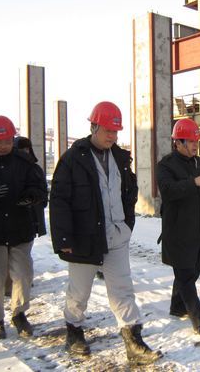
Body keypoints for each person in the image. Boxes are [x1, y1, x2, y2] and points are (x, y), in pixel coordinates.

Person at [50, 101, 161, 364]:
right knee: (79, 292)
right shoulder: (73, 159)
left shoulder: (120, 158)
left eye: (115, 131)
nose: (112, 136)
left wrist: (127, 223)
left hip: (116, 235)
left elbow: (129, 193)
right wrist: (64, 238)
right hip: (83, 238)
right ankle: (74, 331)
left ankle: (133, 340)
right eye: (108, 130)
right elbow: (59, 200)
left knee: (123, 289)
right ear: (94, 127)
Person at [0, 115, 48, 339]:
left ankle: (19, 314)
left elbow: (39, 187)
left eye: (7, 142)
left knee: (23, 275)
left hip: (20, 228)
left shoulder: (24, 162)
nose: (3, 146)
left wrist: (31, 197)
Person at [156, 118, 200, 335]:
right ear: (178, 143)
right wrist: (194, 183)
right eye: (190, 141)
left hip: (199, 231)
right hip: (178, 232)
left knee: (192, 272)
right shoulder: (166, 165)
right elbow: (168, 191)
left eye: (196, 141)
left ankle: (177, 306)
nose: (195, 145)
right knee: (186, 276)